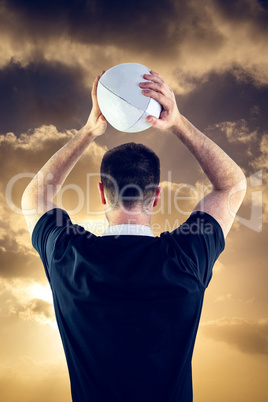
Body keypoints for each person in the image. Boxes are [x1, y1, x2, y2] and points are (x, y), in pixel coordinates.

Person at [21, 69, 246, 402]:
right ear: (155, 196)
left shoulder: (68, 258)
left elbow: (34, 199)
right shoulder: (185, 258)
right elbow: (232, 185)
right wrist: (177, 122)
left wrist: (88, 132)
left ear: (102, 193)